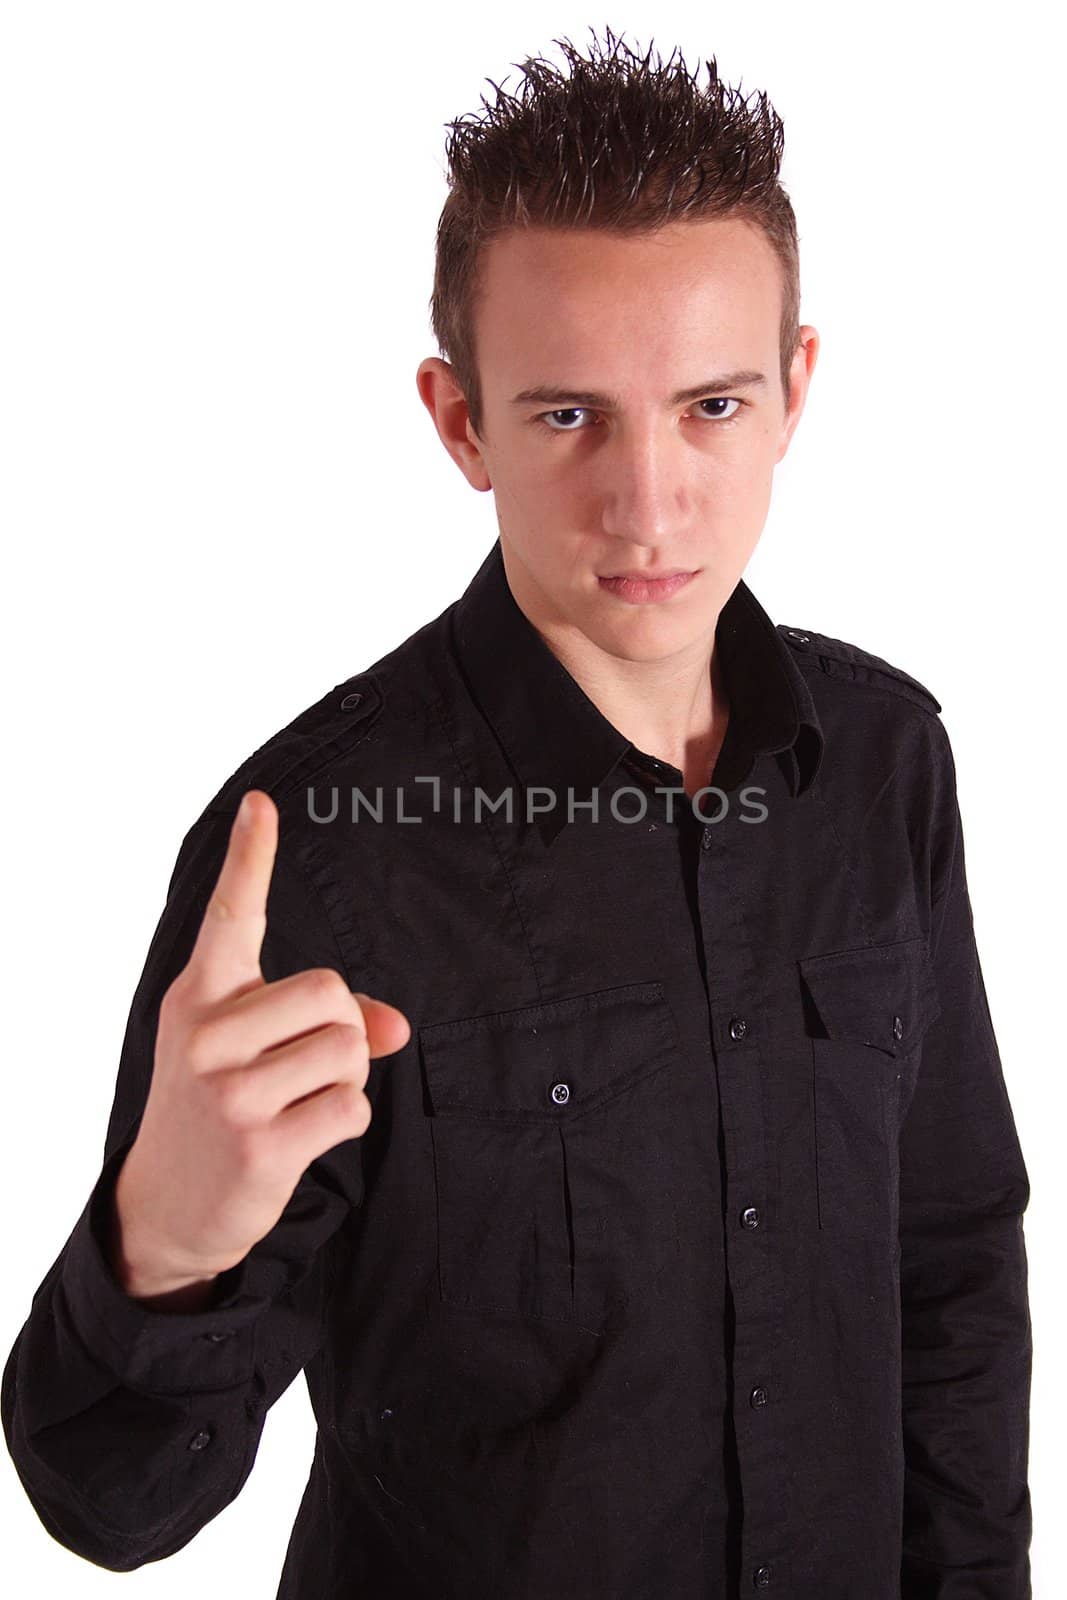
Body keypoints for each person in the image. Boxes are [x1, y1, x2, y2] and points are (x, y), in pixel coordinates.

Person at [2, 25, 1032, 1599]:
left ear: (794, 389)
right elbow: (106, 1504)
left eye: (708, 405)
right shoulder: (315, 849)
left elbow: (953, 1271)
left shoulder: (886, 761)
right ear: (459, 419)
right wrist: (165, 1247)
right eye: (566, 417)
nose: (649, 503)